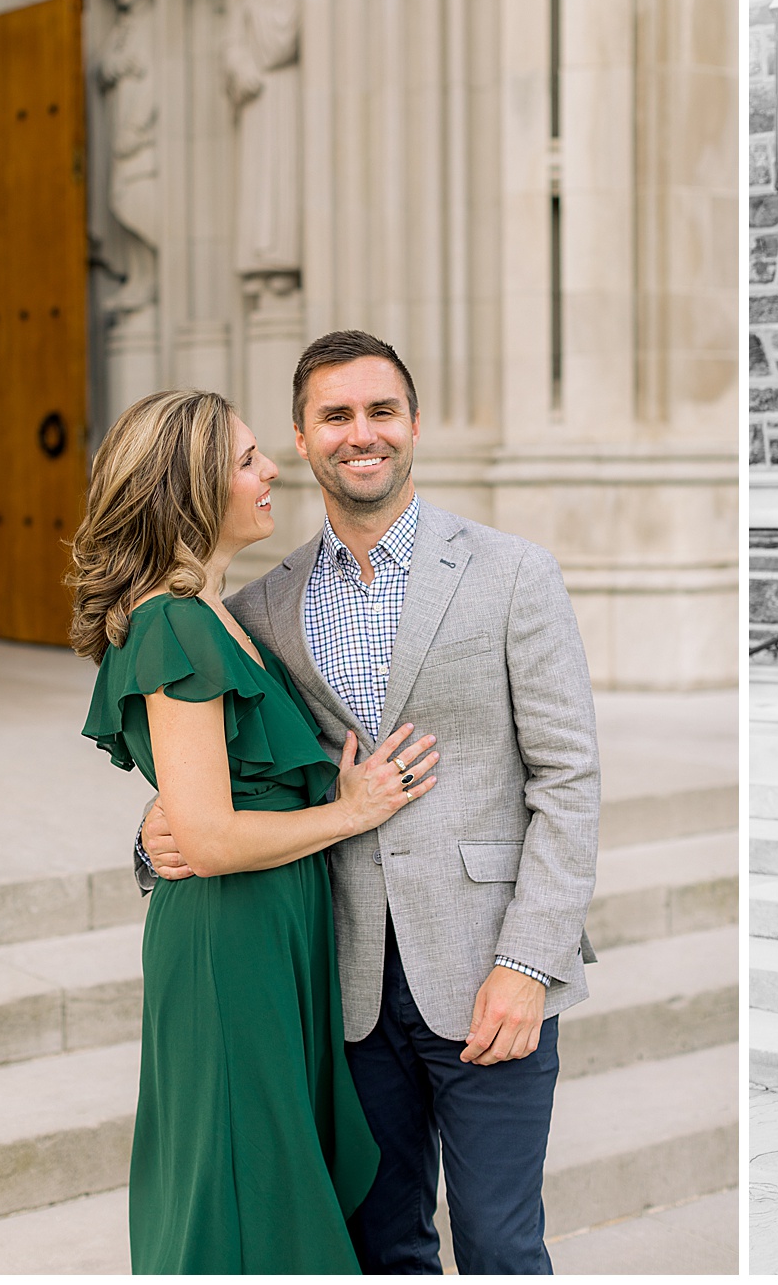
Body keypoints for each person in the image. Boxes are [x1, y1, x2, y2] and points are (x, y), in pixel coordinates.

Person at [143, 329, 601, 1274]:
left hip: (488, 973)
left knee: (502, 1246)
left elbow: (569, 780)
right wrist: (159, 840)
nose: (364, 434)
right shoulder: (260, 607)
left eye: (381, 410)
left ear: (415, 424)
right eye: (335, 416)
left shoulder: (513, 573)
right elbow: (237, 769)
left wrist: (529, 962)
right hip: (340, 989)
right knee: (382, 1245)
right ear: (304, 440)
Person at [72, 389, 443, 1272]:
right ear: (190, 486)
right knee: (246, 1184)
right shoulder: (173, 623)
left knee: (272, 1172)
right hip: (230, 944)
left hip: (277, 935)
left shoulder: (217, 616)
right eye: (245, 461)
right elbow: (205, 838)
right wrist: (354, 809)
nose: (270, 468)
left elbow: (206, 801)